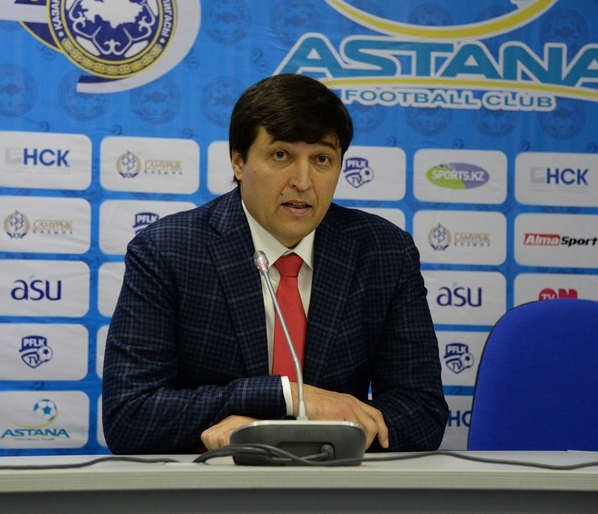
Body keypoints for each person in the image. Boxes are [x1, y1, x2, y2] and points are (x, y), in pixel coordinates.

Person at [102, 73, 448, 454]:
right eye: (281, 155)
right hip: (215, 485)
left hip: (337, 482)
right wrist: (287, 397)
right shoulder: (168, 251)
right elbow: (129, 415)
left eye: (322, 159)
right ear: (238, 162)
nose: (302, 181)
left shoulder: (384, 253)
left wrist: (325, 433)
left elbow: (422, 411)